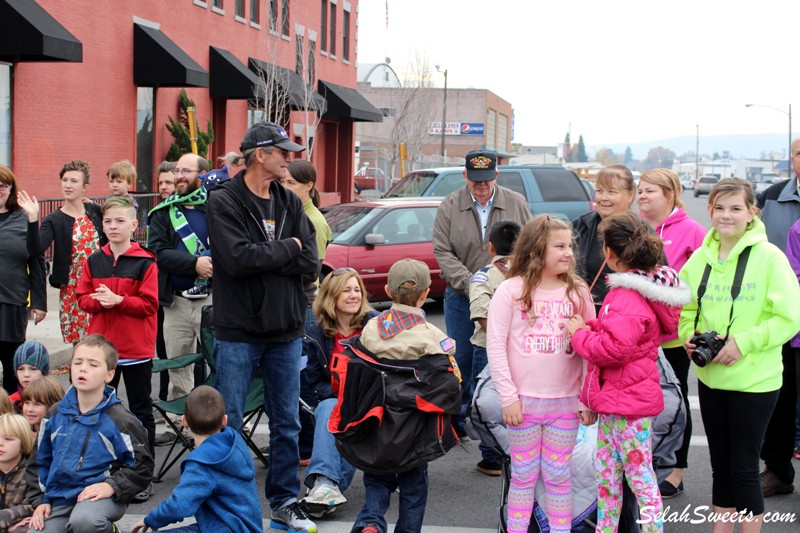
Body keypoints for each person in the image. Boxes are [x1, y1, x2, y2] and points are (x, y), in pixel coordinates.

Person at [206, 121, 318, 533]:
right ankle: (232, 505)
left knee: (286, 423)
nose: (290, 158)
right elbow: (236, 260)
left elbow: (311, 261)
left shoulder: (289, 201)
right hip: (238, 330)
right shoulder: (223, 201)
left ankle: (285, 502)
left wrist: (275, 254)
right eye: (282, 152)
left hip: (286, 330)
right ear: (259, 155)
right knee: (229, 421)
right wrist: (287, 247)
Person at [678, 178, 800, 532]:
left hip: (755, 381)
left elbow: (789, 318)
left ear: (752, 213)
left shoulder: (770, 258)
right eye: (719, 208)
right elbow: (686, 311)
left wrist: (743, 343)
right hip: (712, 377)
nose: (726, 216)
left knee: (745, 468)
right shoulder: (700, 259)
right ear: (710, 210)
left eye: (735, 208)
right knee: (721, 466)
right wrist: (689, 337)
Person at [567, 212, 691, 533]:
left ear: (610, 252)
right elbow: (619, 335)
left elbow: (612, 350)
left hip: (627, 404)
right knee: (608, 476)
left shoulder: (626, 295)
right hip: (619, 401)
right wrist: (592, 326)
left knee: (639, 478)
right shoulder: (637, 290)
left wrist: (579, 334)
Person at [486, 216, 597, 533]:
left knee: (559, 474)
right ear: (536, 251)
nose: (569, 253)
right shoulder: (511, 290)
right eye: (560, 246)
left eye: (570, 246)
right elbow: (496, 346)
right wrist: (507, 398)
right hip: (523, 405)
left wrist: (586, 398)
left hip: (566, 404)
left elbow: (590, 348)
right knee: (523, 474)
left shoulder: (578, 292)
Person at [341, 259, 461, 533]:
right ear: (425, 293)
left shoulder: (371, 330)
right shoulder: (433, 336)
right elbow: (450, 381)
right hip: (414, 429)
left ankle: (371, 521)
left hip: (376, 419)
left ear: (387, 289)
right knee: (414, 486)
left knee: (377, 477)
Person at [432, 149, 531, 466]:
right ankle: (460, 420)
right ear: (465, 177)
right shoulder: (450, 205)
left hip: (510, 296)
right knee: (461, 360)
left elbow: (530, 244)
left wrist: (511, 281)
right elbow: (442, 250)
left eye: (487, 181)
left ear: (496, 176)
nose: (482, 188)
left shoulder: (516, 201)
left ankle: (494, 434)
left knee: (501, 361)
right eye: (476, 182)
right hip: (463, 296)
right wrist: (472, 281)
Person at [26, 334, 154, 532]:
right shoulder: (55, 414)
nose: (83, 368)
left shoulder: (120, 420)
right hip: (61, 497)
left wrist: (112, 486)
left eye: (93, 365)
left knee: (85, 521)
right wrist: (39, 500)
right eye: (78, 362)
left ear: (109, 375)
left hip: (100, 496)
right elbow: (39, 461)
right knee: (37, 530)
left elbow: (142, 466)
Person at [76, 196, 158, 502]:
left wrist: (120, 300)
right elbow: (82, 298)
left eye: (120, 221)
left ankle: (143, 474)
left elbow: (150, 305)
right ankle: (103, 469)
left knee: (139, 413)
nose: (113, 226)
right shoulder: (93, 259)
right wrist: (100, 300)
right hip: (101, 352)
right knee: (99, 411)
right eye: (108, 221)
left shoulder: (146, 261)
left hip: (135, 349)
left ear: (134, 225)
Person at [637, 168, 706, 498]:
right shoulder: (635, 228)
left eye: (650, 190)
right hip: (638, 335)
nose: (643, 196)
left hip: (675, 336)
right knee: (642, 403)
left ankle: (677, 470)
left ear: (670, 193)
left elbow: (701, 286)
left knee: (673, 402)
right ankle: (644, 464)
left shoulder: (692, 231)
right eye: (640, 190)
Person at [129, 386, 263, 533]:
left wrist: (151, 519)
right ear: (224, 420)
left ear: (184, 422)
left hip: (226, 527)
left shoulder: (202, 464)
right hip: (247, 527)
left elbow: (180, 505)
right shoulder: (235, 441)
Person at [300, 268, 377, 518]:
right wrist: (342, 400)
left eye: (357, 290)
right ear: (331, 296)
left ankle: (323, 487)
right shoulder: (316, 334)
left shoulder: (374, 325)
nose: (354, 295)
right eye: (347, 290)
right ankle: (326, 488)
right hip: (337, 404)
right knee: (328, 407)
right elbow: (315, 380)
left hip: (373, 403)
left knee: (335, 413)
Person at [147, 152, 211, 446]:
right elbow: (158, 252)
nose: (179, 176)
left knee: (220, 363)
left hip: (214, 301)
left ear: (202, 173)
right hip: (177, 302)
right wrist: (194, 264)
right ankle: (181, 426)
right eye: (177, 171)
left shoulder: (217, 206)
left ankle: (218, 421)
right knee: (177, 365)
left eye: (186, 170)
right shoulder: (163, 212)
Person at [755, 137, 800, 497]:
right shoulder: (769, 197)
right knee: (780, 398)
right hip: (778, 318)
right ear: (791, 157)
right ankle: (778, 471)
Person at [282, 158, 332, 463]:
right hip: (295, 302)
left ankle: (307, 445)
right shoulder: (296, 213)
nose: (285, 188)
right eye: (283, 182)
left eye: (291, 183)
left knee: (303, 376)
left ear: (309, 186)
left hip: (303, 303)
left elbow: (310, 269)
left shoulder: (312, 220)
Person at [24, 161, 105, 345]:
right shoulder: (54, 219)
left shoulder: (96, 211)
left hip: (101, 285)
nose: (68, 185)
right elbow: (36, 250)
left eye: (74, 181)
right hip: (73, 291)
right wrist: (32, 219)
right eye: (65, 180)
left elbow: (122, 221)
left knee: (103, 343)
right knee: (82, 347)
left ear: (85, 187)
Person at [468, 219, 521, 477]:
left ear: (491, 247)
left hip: (488, 348)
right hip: (523, 349)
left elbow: (481, 315)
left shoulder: (484, 276)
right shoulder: (528, 275)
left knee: (486, 400)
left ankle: (492, 457)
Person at [0, 165, 46, 395]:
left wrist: (39, 302)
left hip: (12, 305)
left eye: (3, 185)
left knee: (12, 368)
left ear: (10, 189)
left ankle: (12, 420)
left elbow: (37, 259)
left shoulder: (23, 219)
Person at [573, 164, 637, 306]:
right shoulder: (580, 226)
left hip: (623, 316)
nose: (603, 198)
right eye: (599, 191)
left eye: (612, 192)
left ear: (630, 195)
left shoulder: (641, 233)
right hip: (582, 314)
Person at [0, 413, 35, 532]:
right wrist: (6, 528)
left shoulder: (33, 472)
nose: (0, 443)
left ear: (23, 443)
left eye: (8, 439)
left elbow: (31, 506)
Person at [8, 342, 50, 412]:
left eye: (33, 369)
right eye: (21, 369)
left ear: (44, 372)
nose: (26, 374)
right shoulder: (10, 402)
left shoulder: (53, 398)